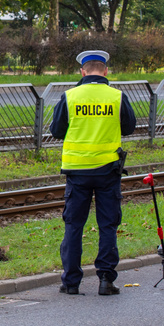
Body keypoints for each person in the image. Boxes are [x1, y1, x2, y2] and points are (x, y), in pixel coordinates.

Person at [49, 50, 136, 296]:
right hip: (108, 171)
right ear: (106, 71)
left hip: (77, 172)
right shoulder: (117, 97)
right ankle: (106, 280)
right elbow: (129, 128)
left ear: (83, 72)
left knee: (74, 225)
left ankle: (71, 283)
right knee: (108, 224)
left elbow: (56, 130)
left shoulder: (70, 96)